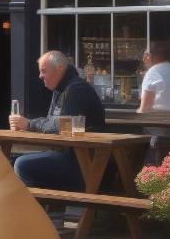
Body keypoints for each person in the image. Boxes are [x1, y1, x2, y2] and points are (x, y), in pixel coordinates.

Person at [9, 50, 106, 192]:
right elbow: (51, 123)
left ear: (60, 68)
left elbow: (65, 125)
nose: (40, 75)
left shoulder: (77, 89)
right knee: (12, 158)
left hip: (83, 163)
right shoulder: (61, 90)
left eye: (44, 71)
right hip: (67, 154)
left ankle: (34, 212)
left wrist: (29, 124)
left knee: (22, 164)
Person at [138, 40, 170, 165]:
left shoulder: (153, 72)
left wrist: (138, 111)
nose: (144, 57)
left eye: (146, 54)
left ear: (152, 56)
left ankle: (135, 177)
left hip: (159, 130)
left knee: (127, 140)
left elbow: (144, 108)